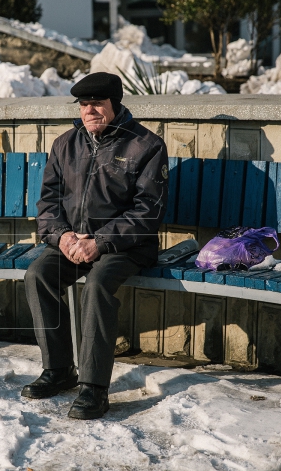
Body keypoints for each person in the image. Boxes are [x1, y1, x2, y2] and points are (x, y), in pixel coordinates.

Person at [21, 72, 169, 419]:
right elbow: (48, 203)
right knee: (38, 275)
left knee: (98, 284)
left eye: (97, 104)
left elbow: (148, 210)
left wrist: (100, 242)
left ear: (115, 105)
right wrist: (63, 237)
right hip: (74, 244)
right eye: (84, 104)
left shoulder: (146, 145)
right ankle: (59, 371)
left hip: (127, 246)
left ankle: (94, 388)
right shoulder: (65, 144)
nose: (89, 111)